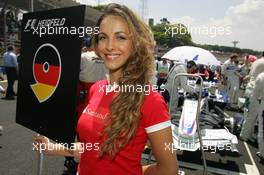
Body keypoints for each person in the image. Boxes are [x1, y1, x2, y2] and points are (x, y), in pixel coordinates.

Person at [34, 3, 178, 175]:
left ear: (136, 44)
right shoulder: (96, 88)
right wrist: (52, 148)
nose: (109, 46)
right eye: (103, 37)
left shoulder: (150, 99)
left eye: (120, 37)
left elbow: (169, 170)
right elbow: (93, 148)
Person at [240, 52, 264, 142]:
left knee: (250, 114)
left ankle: (247, 134)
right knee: (252, 115)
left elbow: (250, 75)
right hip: (255, 91)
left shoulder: (256, 62)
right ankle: (244, 135)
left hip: (250, 89)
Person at [252, 72, 264, 161]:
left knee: (262, 129)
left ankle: (262, 152)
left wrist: (258, 98)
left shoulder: (261, 76)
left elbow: (255, 93)